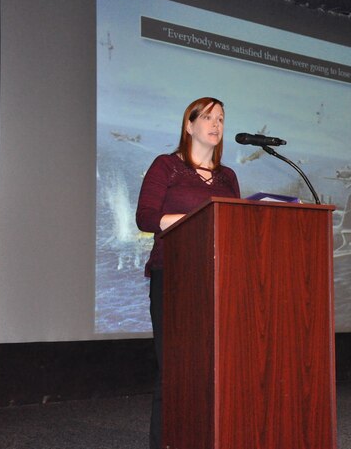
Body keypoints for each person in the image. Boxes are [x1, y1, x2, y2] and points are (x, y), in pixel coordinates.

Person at [135, 97, 240, 448]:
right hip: (174, 279)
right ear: (189, 125)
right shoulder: (167, 166)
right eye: (208, 117)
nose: (216, 125)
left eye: (221, 119)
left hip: (217, 282)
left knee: (214, 371)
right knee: (174, 373)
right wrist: (196, 220)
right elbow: (146, 218)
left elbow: (234, 227)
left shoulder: (228, 177)